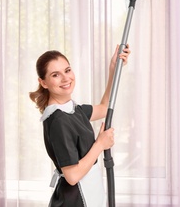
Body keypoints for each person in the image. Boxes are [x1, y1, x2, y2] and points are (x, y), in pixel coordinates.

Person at [29, 45, 131, 207]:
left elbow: (104, 108)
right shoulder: (58, 120)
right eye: (55, 75)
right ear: (44, 83)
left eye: (67, 70)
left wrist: (114, 69)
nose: (65, 78)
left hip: (89, 196)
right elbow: (72, 176)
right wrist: (100, 144)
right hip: (75, 201)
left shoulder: (73, 109)